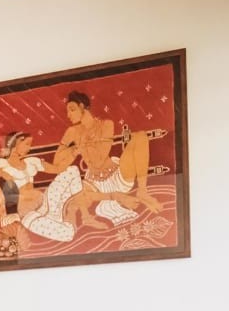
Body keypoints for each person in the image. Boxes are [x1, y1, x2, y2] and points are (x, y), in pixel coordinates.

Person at [51, 90, 162, 226]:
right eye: (67, 111)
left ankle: (142, 192)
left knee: (140, 137)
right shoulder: (72, 132)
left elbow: (99, 159)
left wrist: (83, 144)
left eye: (72, 109)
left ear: (82, 106)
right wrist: (74, 150)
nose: (68, 115)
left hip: (117, 175)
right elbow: (57, 161)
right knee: (74, 190)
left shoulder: (106, 125)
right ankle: (93, 213)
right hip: (94, 184)